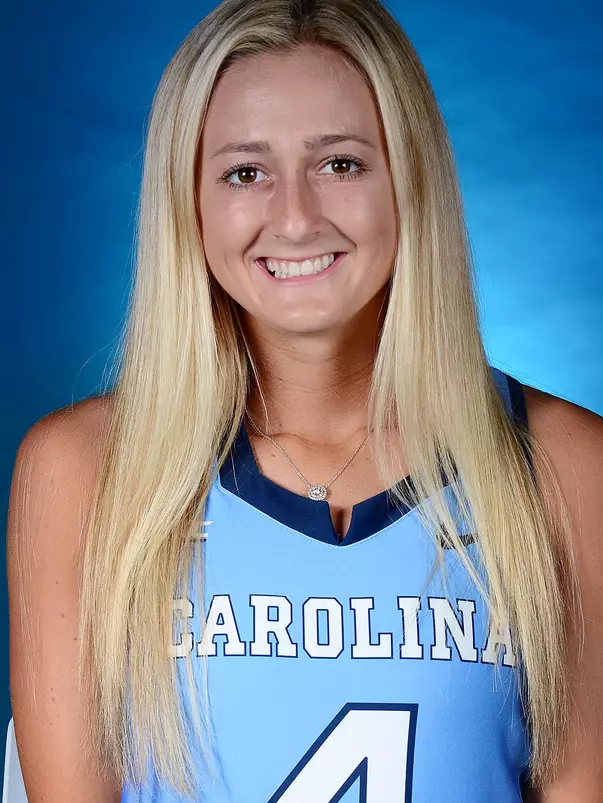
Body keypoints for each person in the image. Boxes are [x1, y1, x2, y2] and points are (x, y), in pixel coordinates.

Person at [6, 0, 603, 800]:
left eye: (341, 164)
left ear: (409, 179)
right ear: (189, 201)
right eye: (245, 172)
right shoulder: (82, 471)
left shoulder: (561, 463)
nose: (293, 217)